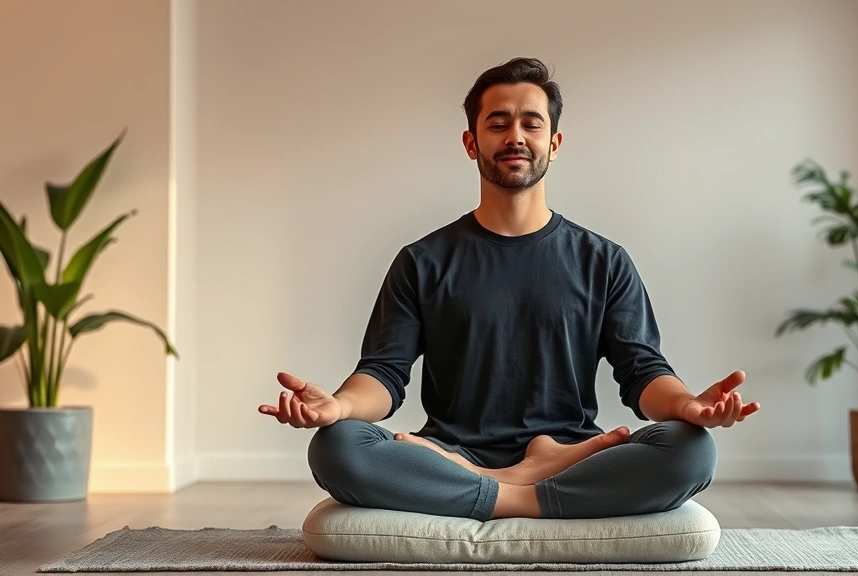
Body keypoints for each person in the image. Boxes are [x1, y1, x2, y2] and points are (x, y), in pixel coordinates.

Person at [258, 57, 759, 522]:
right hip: (453, 453)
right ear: (472, 143)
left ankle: (487, 490)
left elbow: (643, 372)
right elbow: (384, 374)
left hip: (570, 452)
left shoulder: (604, 261)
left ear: (554, 144)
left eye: (531, 123)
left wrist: (689, 406)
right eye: (498, 123)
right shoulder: (423, 260)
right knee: (336, 446)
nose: (515, 136)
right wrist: (337, 408)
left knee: (692, 449)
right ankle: (516, 488)